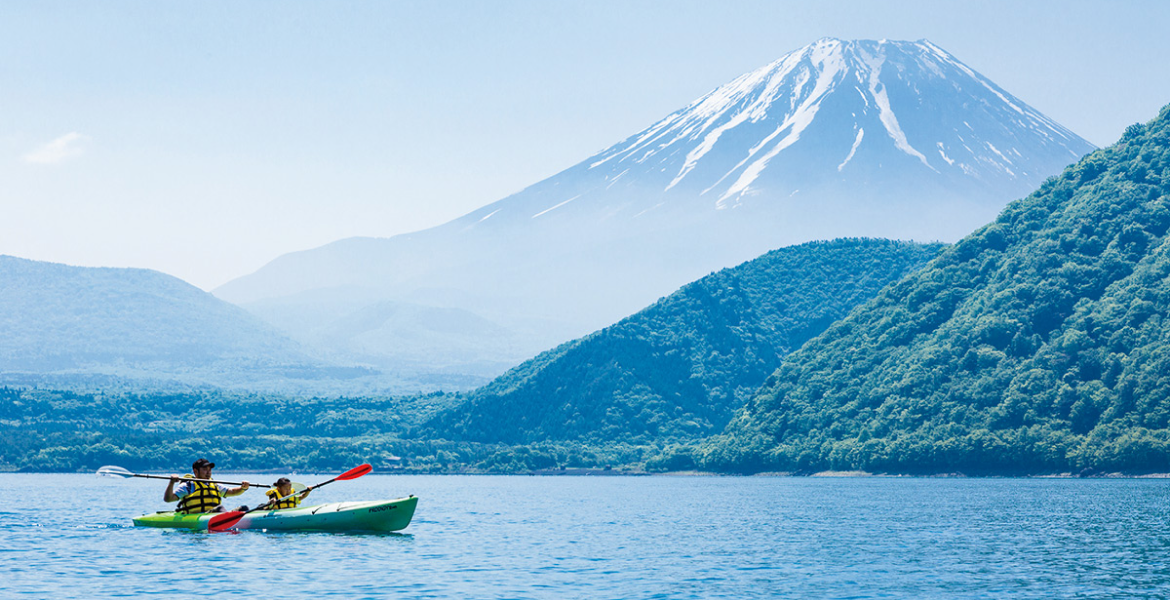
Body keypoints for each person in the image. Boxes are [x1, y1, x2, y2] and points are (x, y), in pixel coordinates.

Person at [163, 458, 251, 514]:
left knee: (244, 508)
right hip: (197, 517)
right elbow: (168, 499)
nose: (208, 472)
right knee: (220, 508)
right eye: (205, 469)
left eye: (209, 470)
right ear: (196, 471)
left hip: (216, 514)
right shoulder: (188, 485)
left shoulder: (214, 484)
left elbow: (232, 492)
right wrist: (171, 483)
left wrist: (243, 488)